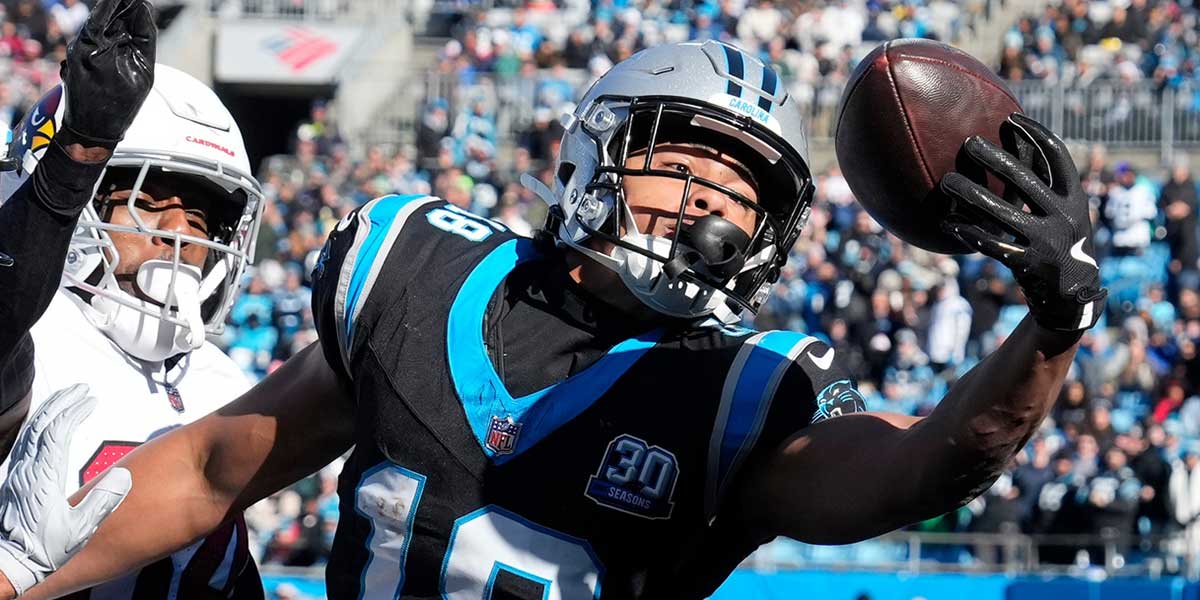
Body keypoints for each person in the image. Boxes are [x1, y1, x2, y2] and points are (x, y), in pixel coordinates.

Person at [0, 38, 1105, 599]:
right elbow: (210, 472)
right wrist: (28, 587)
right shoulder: (415, 269)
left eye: (746, 192)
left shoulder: (742, 389)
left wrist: (1048, 329)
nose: (715, 206)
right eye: (688, 164)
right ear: (595, 153)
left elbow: (924, 467)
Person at [0, 1, 265, 596]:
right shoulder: (33, 338)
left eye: (201, 216)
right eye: (146, 202)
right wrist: (78, 154)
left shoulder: (222, 381)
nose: (181, 235)